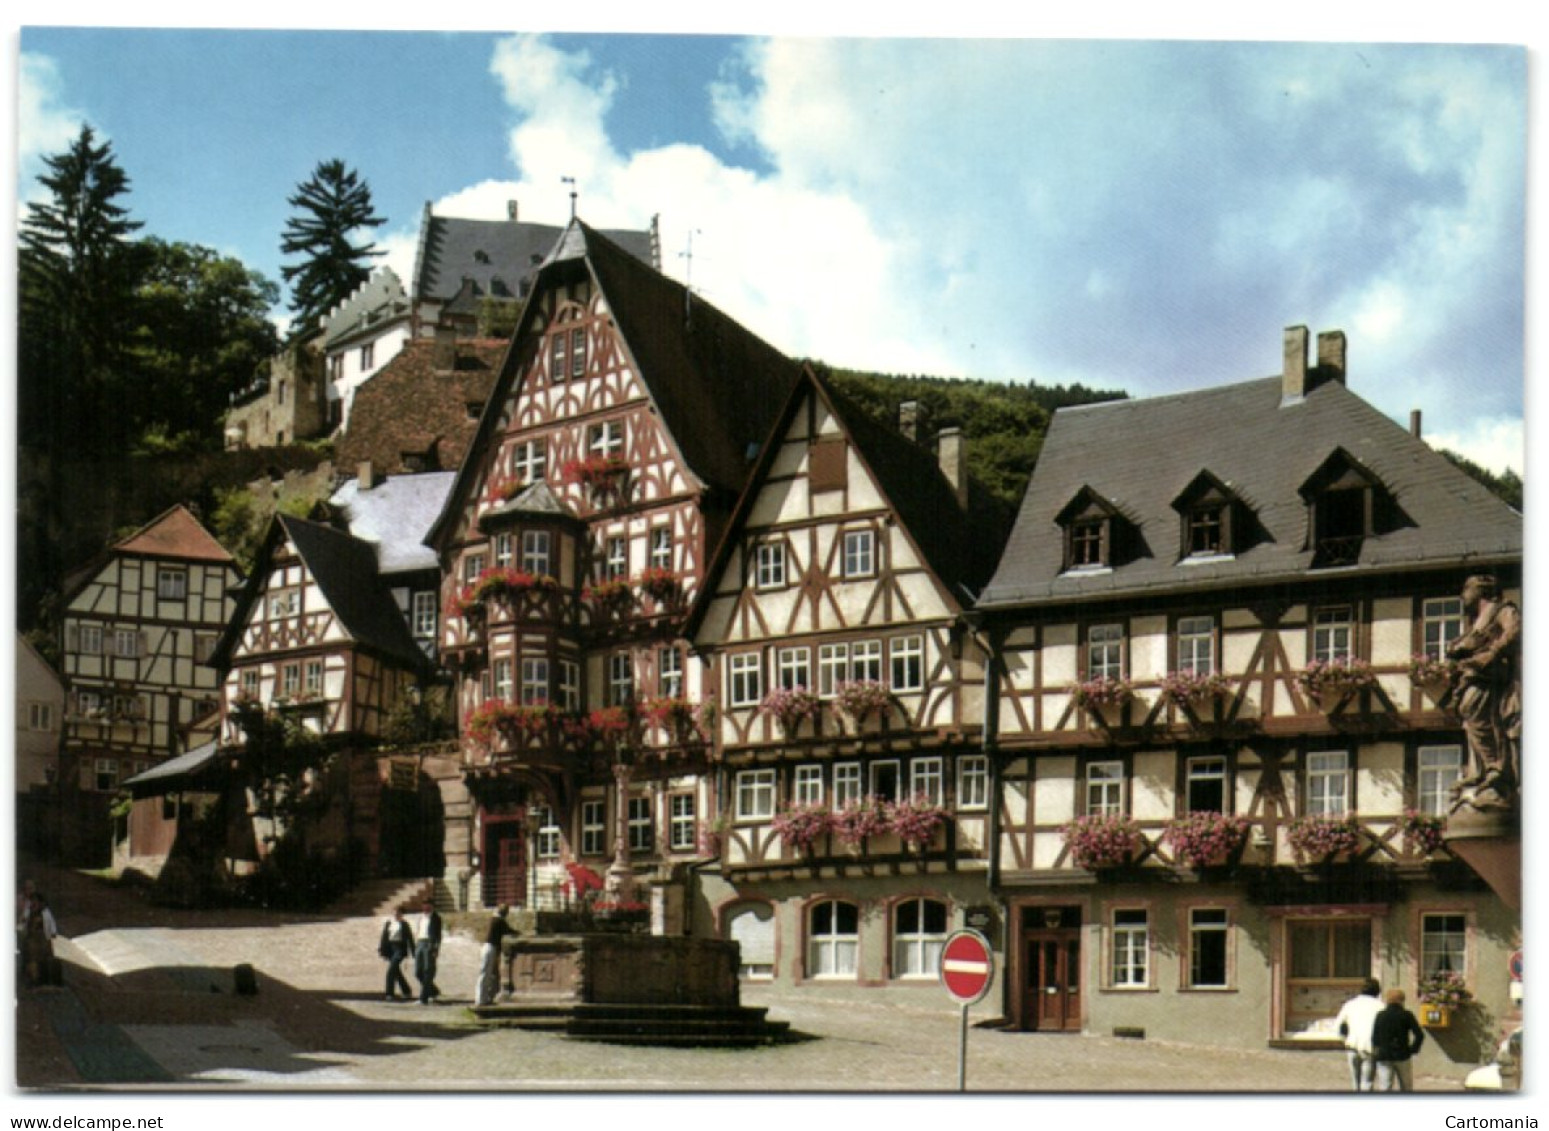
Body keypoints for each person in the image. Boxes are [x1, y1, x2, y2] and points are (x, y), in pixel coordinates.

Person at [1447, 575, 1521, 810]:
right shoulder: (1477, 621)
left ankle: (1496, 770)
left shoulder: (1502, 610)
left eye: (1466, 589)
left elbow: (1515, 632)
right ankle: (1480, 771)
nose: (1462, 595)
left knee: (1483, 719)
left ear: (1481, 591)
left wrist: (1493, 652)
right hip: (1474, 676)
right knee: (1470, 721)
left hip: (1490, 677)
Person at [1372, 987, 1425, 1092]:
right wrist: (1413, 1049)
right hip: (1402, 1054)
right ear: (1402, 1000)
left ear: (1387, 1000)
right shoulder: (1406, 1015)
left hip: (1384, 1055)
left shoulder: (1380, 1015)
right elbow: (1419, 1035)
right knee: (1406, 1086)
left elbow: (1375, 1037)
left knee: (1385, 1086)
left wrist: (1377, 1051)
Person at [1335, 978, 1383, 1091]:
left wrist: (1344, 1040)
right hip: (1370, 1047)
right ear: (1377, 991)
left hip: (1352, 1045)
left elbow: (1338, 1026)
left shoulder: (1350, 1004)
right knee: (1367, 1082)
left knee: (1355, 1082)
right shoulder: (1380, 1006)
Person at [475, 906, 514, 1007]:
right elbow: (509, 931)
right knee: (485, 973)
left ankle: (486, 997)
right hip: (490, 948)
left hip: (488, 948)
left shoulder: (494, 919)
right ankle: (481, 999)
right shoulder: (498, 921)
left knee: (490, 974)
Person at [378, 907, 414, 1001]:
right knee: (396, 972)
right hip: (390, 949)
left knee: (391, 971)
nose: (396, 915)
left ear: (401, 914)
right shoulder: (388, 924)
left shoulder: (404, 924)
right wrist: (382, 950)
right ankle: (406, 991)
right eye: (394, 913)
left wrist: (413, 952)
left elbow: (410, 939)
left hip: (400, 949)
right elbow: (384, 937)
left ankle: (389, 993)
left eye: (398, 913)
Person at [414, 898, 443, 1005]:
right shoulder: (421, 917)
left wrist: (436, 948)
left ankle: (423, 998)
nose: (425, 907)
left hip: (429, 944)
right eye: (423, 905)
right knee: (418, 972)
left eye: (427, 905)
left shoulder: (436, 918)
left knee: (428, 971)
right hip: (420, 943)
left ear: (431, 906)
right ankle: (433, 991)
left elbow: (438, 936)